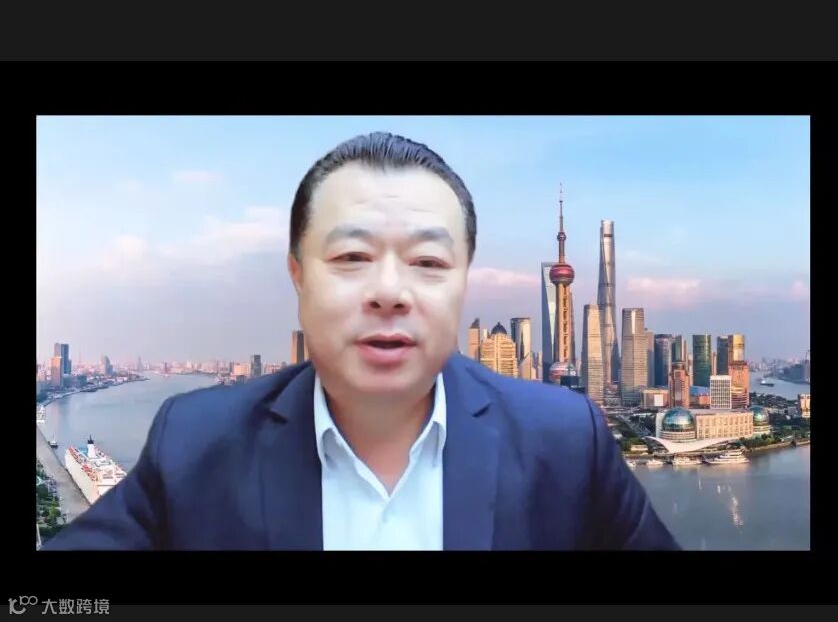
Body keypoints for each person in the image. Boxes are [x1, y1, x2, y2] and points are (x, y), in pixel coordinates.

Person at [43, 132, 680, 551]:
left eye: (428, 262)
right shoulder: (195, 443)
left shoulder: (566, 442)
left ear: (464, 282)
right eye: (352, 256)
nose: (390, 291)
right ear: (297, 275)